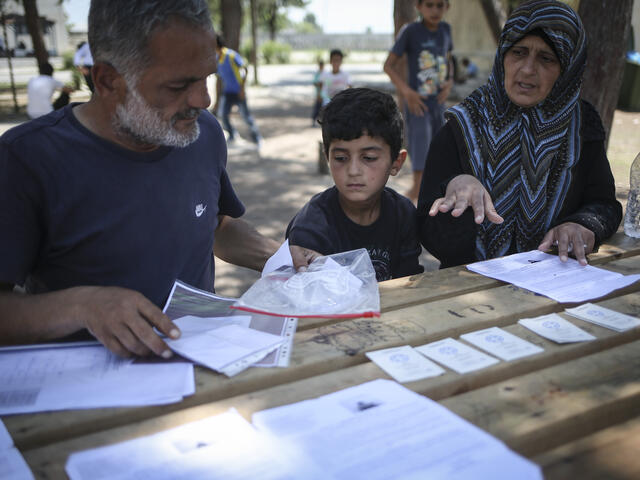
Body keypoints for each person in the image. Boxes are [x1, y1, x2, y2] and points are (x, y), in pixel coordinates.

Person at [0, 0, 311, 358]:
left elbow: (214, 227)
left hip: (202, 366)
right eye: (178, 86)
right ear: (107, 80)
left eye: (207, 76)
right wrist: (80, 305)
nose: (203, 99)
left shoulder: (202, 132)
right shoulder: (28, 159)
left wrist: (280, 256)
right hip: (87, 393)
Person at [418, 0, 622, 269]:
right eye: (518, 52)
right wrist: (456, 187)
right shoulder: (462, 126)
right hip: (469, 286)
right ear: (502, 56)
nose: (527, 69)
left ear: (568, 69)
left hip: (554, 280)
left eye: (546, 58)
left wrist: (582, 224)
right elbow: (428, 228)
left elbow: (604, 204)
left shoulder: (581, 127)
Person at [286, 88, 424, 282]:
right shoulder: (311, 225)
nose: (353, 171)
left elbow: (409, 284)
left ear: (396, 163)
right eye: (341, 158)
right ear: (327, 158)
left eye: (369, 158)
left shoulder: (403, 213)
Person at [384, 0, 453, 204]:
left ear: (447, 7)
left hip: (439, 105)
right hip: (418, 105)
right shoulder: (410, 31)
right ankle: (410, 204)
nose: (435, 10)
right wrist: (407, 93)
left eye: (440, 5)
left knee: (440, 152)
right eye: (429, 5)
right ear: (419, 7)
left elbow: (448, 59)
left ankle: (427, 202)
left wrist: (449, 82)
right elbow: (388, 66)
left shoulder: (446, 30)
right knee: (420, 157)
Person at [213, 34, 261, 146]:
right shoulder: (216, 59)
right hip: (227, 92)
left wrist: (242, 89)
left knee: (246, 116)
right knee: (223, 115)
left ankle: (256, 137)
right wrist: (216, 100)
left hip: (238, 91)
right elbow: (218, 80)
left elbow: (245, 69)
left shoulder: (231, 55)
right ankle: (232, 135)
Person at [311, 58, 324, 126]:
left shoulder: (325, 73)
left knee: (322, 108)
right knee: (317, 107)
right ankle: (313, 120)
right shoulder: (318, 74)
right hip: (319, 93)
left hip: (324, 94)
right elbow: (315, 83)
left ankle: (321, 121)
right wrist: (319, 84)